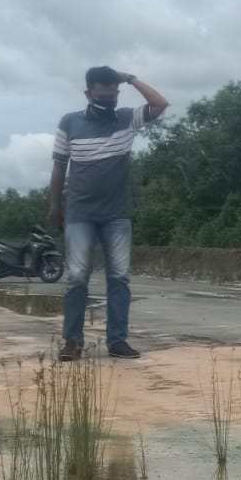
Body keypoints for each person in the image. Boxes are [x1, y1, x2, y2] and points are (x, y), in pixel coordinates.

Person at [49, 65, 169, 361]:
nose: (108, 99)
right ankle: (73, 342)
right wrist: (54, 205)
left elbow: (160, 104)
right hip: (79, 213)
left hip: (117, 214)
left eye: (113, 94)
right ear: (89, 93)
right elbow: (59, 166)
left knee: (119, 277)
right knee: (77, 277)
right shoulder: (70, 123)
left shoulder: (127, 119)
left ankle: (117, 341)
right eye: (102, 94)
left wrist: (130, 78)